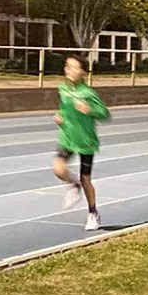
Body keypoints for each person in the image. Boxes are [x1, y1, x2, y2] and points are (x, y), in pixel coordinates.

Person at [53, 55, 109, 230]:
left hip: (85, 141)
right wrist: (60, 115)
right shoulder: (62, 89)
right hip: (68, 138)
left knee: (86, 178)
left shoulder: (88, 93)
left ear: (83, 72)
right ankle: (73, 184)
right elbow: (63, 107)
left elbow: (105, 113)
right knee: (58, 169)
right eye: (67, 66)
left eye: (74, 67)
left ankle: (93, 213)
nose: (69, 70)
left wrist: (89, 109)